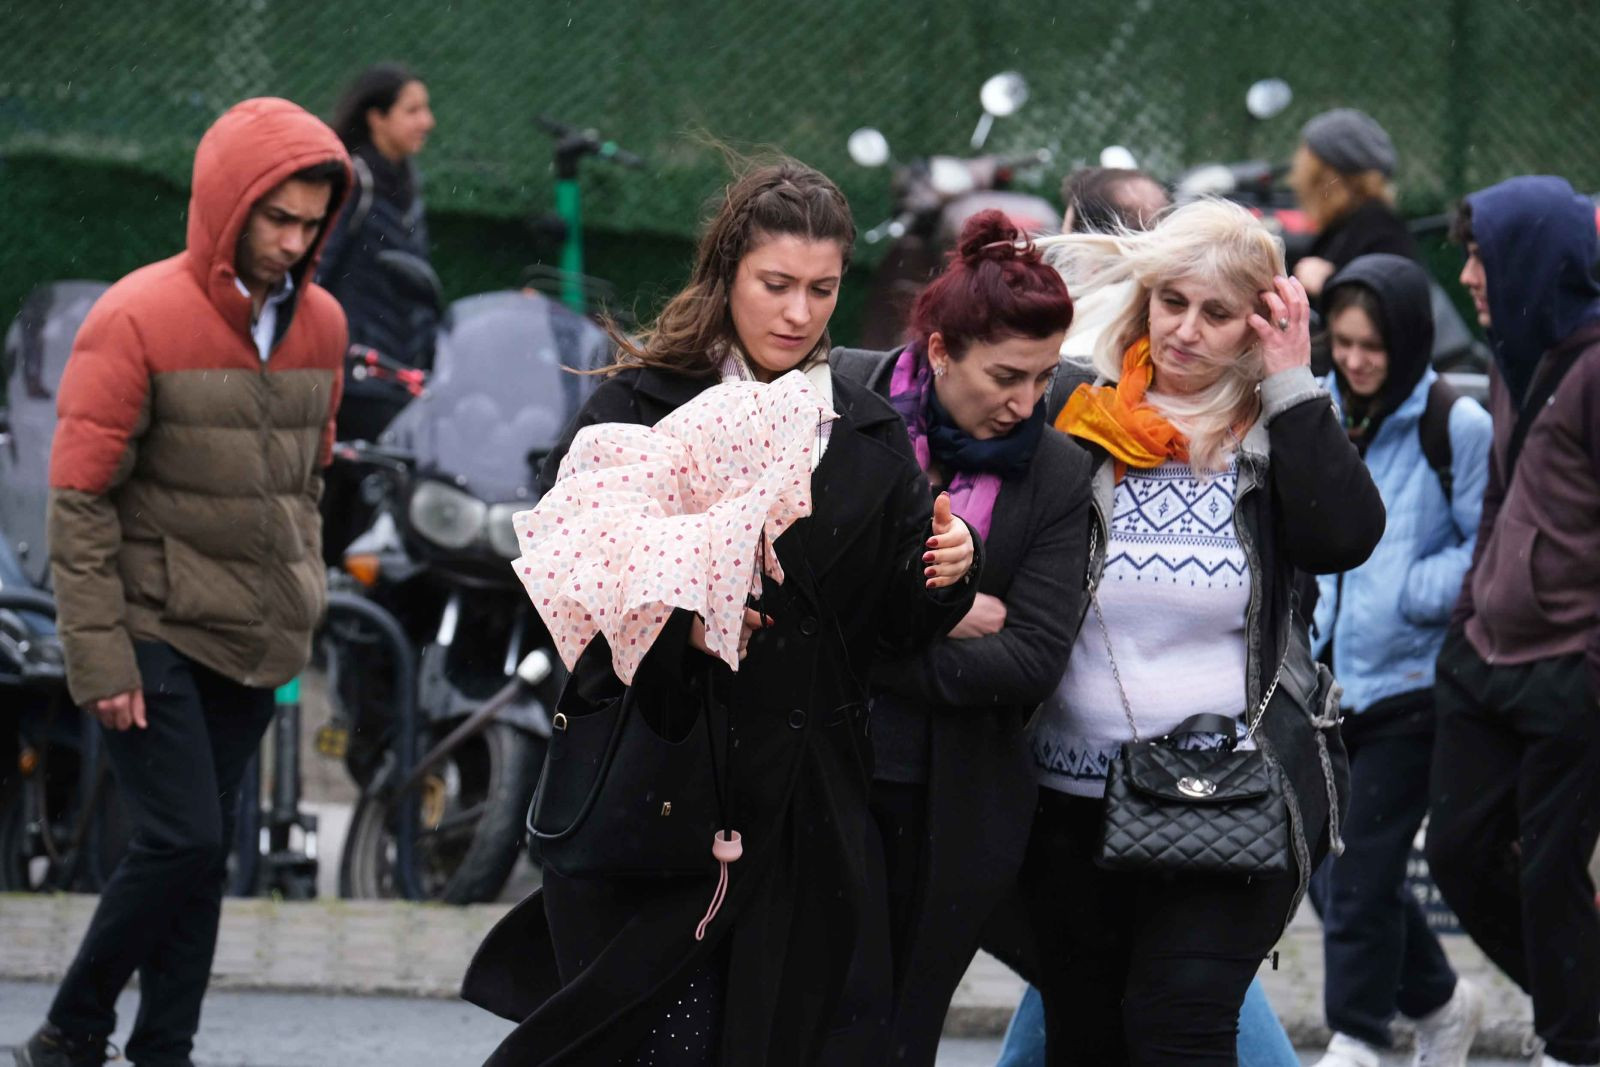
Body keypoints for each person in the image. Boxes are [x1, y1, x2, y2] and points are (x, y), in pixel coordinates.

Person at [461, 158, 980, 1066]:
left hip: (806, 815)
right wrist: (675, 623)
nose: (799, 313)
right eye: (775, 285)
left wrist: (949, 573)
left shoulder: (862, 428)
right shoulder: (638, 403)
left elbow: (894, 631)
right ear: (726, 274)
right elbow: (569, 589)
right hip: (654, 791)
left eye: (822, 289)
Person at [14, 99, 349, 1067]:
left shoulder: (320, 322)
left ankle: (166, 1045)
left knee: (203, 858)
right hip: (150, 626)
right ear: (224, 205)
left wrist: (302, 589)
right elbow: (77, 499)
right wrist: (101, 651)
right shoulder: (135, 314)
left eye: (309, 222)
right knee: (185, 840)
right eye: (274, 217)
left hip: (256, 633)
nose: (291, 241)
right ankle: (71, 1026)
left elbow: (308, 473)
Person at [1015, 197, 1383, 1065]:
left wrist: (1293, 378)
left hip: (1228, 800)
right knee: (1085, 1037)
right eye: (1171, 301)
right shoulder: (1077, 410)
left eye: (1217, 313)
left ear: (1256, 323)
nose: (1184, 331)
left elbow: (1346, 536)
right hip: (1065, 797)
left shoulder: (1275, 432)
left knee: (1182, 1026)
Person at [830, 210, 1086, 1065]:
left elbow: (1031, 659)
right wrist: (945, 611)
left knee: (895, 1033)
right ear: (940, 351)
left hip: (950, 801)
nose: (1027, 402)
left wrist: (866, 642)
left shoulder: (1053, 468)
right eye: (1007, 375)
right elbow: (788, 594)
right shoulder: (841, 401)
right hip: (816, 767)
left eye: (1046, 376)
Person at [1426, 175, 1600, 1067]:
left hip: (1571, 664)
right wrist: (1466, 616)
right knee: (1456, 856)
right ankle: (1586, 1007)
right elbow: (1499, 499)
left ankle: (1574, 1041)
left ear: (1532, 258)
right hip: (1482, 655)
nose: (1467, 275)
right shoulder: (1507, 354)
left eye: (1480, 255)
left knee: (1550, 875)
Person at [1305, 253, 1492, 1067]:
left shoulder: (1457, 424)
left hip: (1413, 684)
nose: (1354, 359)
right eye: (1342, 340)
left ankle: (1358, 1034)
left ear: (1410, 339)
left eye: (1372, 343)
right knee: (1322, 862)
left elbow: (1490, 545)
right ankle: (1443, 1003)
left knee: (1361, 871)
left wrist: (1412, 586)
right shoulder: (1316, 407)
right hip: (1320, 682)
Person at [318, 62, 439, 444]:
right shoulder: (354, 180)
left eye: (426, 108)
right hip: (356, 377)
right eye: (412, 110)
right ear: (376, 118)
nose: (427, 121)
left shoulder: (407, 183)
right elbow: (318, 268)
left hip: (401, 373)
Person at [1288, 108, 1417, 304]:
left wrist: (1330, 283)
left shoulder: (1379, 227)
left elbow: (1397, 302)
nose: (1296, 176)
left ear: (1325, 174)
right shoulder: (1347, 223)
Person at [1057, 167, 1171, 361]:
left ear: (1092, 248)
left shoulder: (1080, 351)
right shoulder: (1170, 322)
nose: (1062, 255)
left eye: (1067, 241)